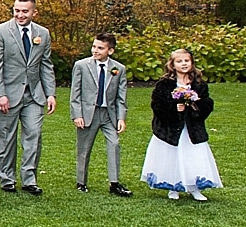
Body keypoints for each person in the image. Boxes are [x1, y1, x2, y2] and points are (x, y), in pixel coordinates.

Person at [0, 0, 56, 195]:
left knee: (34, 135)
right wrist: (0, 94)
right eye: (17, 10)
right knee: (5, 138)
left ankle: (29, 178)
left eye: (25, 11)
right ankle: (6, 177)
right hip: (7, 94)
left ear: (34, 12)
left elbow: (45, 65)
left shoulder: (43, 33)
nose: (20, 15)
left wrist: (50, 93)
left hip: (34, 95)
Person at [142, 48, 221, 201]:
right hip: (170, 129)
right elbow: (157, 105)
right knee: (172, 156)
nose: (183, 64)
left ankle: (194, 188)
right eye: (179, 61)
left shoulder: (198, 84)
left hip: (192, 129)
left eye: (186, 61)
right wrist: (174, 108)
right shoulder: (164, 84)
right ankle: (173, 187)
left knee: (193, 156)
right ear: (172, 64)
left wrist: (194, 105)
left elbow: (207, 104)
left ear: (191, 63)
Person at [70, 33, 131, 197]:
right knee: (84, 148)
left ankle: (115, 183)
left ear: (110, 51)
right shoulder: (81, 66)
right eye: (94, 46)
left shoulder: (119, 69)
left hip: (108, 113)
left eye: (100, 48)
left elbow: (121, 96)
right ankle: (81, 182)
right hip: (88, 112)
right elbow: (75, 93)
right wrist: (77, 115)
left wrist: (121, 118)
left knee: (114, 144)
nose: (95, 50)